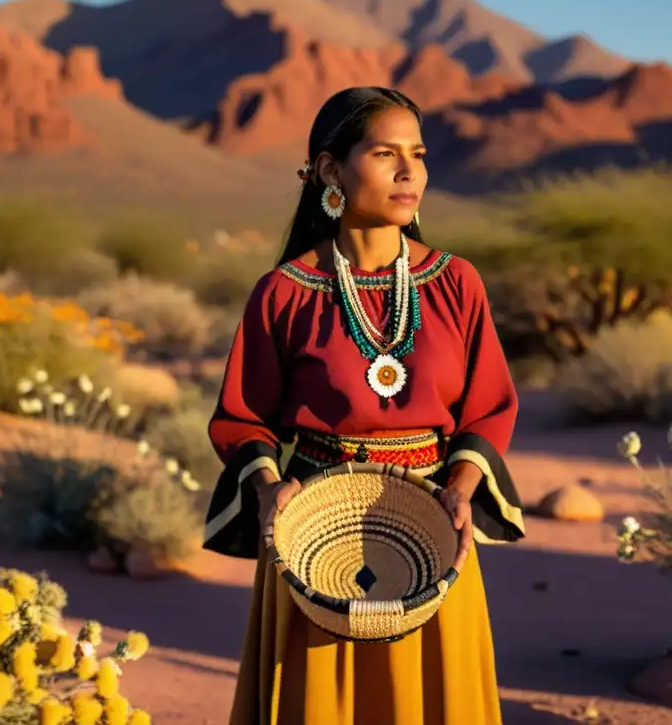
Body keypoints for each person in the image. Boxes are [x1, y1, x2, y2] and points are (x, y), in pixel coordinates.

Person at [204, 86, 526, 725]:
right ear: (330, 171)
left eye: (419, 154)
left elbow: (488, 407)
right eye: (386, 153)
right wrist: (269, 490)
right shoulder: (284, 293)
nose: (411, 172)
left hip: (432, 524)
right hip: (316, 531)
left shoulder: (456, 281)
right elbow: (243, 416)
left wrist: (460, 488)